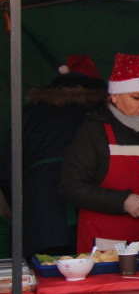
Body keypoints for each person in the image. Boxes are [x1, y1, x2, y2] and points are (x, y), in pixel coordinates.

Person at [60, 53, 139, 254]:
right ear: (114, 96)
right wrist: (121, 201)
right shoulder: (94, 131)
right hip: (105, 243)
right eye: (137, 98)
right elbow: (71, 186)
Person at [0, 55, 107, 260]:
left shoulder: (29, 113)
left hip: (39, 222)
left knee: (42, 286)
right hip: (93, 224)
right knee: (97, 285)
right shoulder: (103, 113)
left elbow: (7, 170)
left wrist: (26, 209)